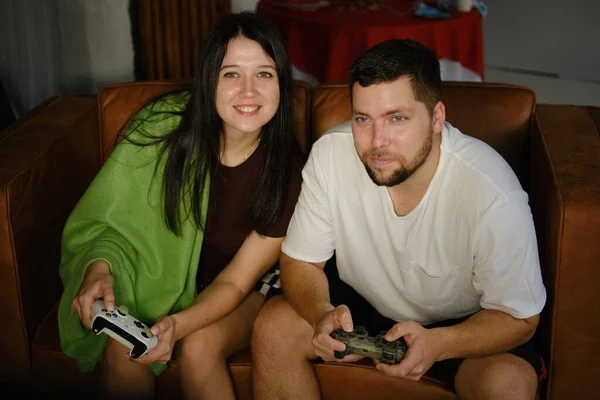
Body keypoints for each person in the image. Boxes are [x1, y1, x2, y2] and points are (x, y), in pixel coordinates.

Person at [251, 38, 547, 400]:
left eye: (397, 118)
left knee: (508, 387)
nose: (378, 141)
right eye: (363, 119)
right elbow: (301, 261)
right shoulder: (331, 154)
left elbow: (521, 318)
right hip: (358, 304)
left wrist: (439, 343)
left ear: (437, 117)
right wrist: (319, 313)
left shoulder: (493, 195)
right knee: (273, 328)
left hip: (461, 325)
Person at [57, 12, 304, 400]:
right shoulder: (162, 127)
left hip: (248, 286)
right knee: (125, 348)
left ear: (282, 83)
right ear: (209, 80)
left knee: (200, 348)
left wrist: (176, 326)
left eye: (265, 74)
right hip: (161, 277)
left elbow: (236, 281)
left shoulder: (289, 174)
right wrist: (99, 269)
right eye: (231, 74)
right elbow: (109, 224)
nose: (249, 91)